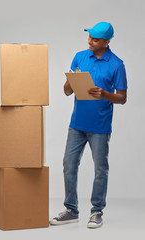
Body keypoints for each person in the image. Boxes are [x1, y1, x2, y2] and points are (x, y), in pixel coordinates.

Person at [50, 22, 127, 229]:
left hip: (100, 127)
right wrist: (70, 81)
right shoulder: (80, 56)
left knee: (100, 170)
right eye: (89, 37)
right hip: (77, 124)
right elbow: (67, 92)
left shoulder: (117, 64)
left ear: (107, 42)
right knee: (69, 165)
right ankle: (71, 210)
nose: (89, 41)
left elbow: (122, 98)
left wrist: (104, 94)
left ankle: (96, 211)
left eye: (95, 39)